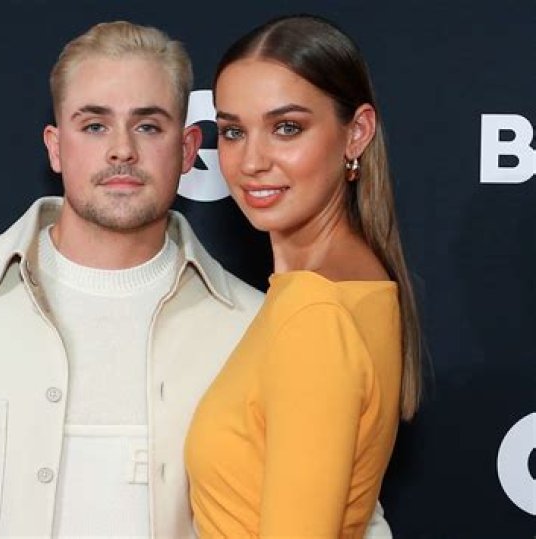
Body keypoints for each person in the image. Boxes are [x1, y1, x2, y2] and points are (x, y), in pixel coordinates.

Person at [0, 20, 392, 538]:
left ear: (188, 150)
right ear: (55, 146)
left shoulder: (257, 329)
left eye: (148, 126)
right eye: (94, 125)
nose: (121, 150)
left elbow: (350, 516)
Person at [186, 14, 421, 538]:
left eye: (286, 128)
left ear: (356, 132)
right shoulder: (354, 285)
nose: (252, 161)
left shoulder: (314, 312)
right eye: (233, 132)